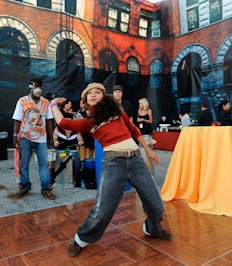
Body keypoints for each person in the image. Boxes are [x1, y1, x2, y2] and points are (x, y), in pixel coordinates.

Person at [50, 82, 171, 257]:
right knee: (103, 210)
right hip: (113, 163)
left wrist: (149, 151)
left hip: (136, 159)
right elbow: (62, 122)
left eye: (97, 91)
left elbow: (134, 130)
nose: (93, 94)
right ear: (85, 100)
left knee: (156, 205)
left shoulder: (117, 112)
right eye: (89, 93)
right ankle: (80, 239)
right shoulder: (87, 122)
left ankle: (152, 229)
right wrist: (54, 104)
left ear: (104, 96)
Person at [12, 78, 55, 200]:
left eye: (38, 87)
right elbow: (17, 119)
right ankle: (24, 187)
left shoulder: (46, 102)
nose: (36, 89)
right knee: (23, 163)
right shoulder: (22, 101)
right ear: (29, 88)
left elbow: (49, 121)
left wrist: (50, 138)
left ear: (42, 88)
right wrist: (15, 136)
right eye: (33, 86)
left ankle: (46, 189)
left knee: (44, 164)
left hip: (41, 139)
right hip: (25, 137)